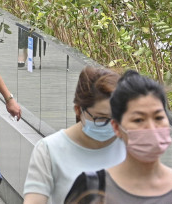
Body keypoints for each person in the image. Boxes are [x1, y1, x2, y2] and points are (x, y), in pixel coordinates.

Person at [65, 70, 172, 204]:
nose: (151, 128)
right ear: (117, 127)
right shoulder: (91, 189)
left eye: (158, 117)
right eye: (138, 120)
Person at [22, 67, 124, 204]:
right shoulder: (49, 150)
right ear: (78, 110)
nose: (111, 125)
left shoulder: (131, 146)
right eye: (101, 118)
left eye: (117, 117)